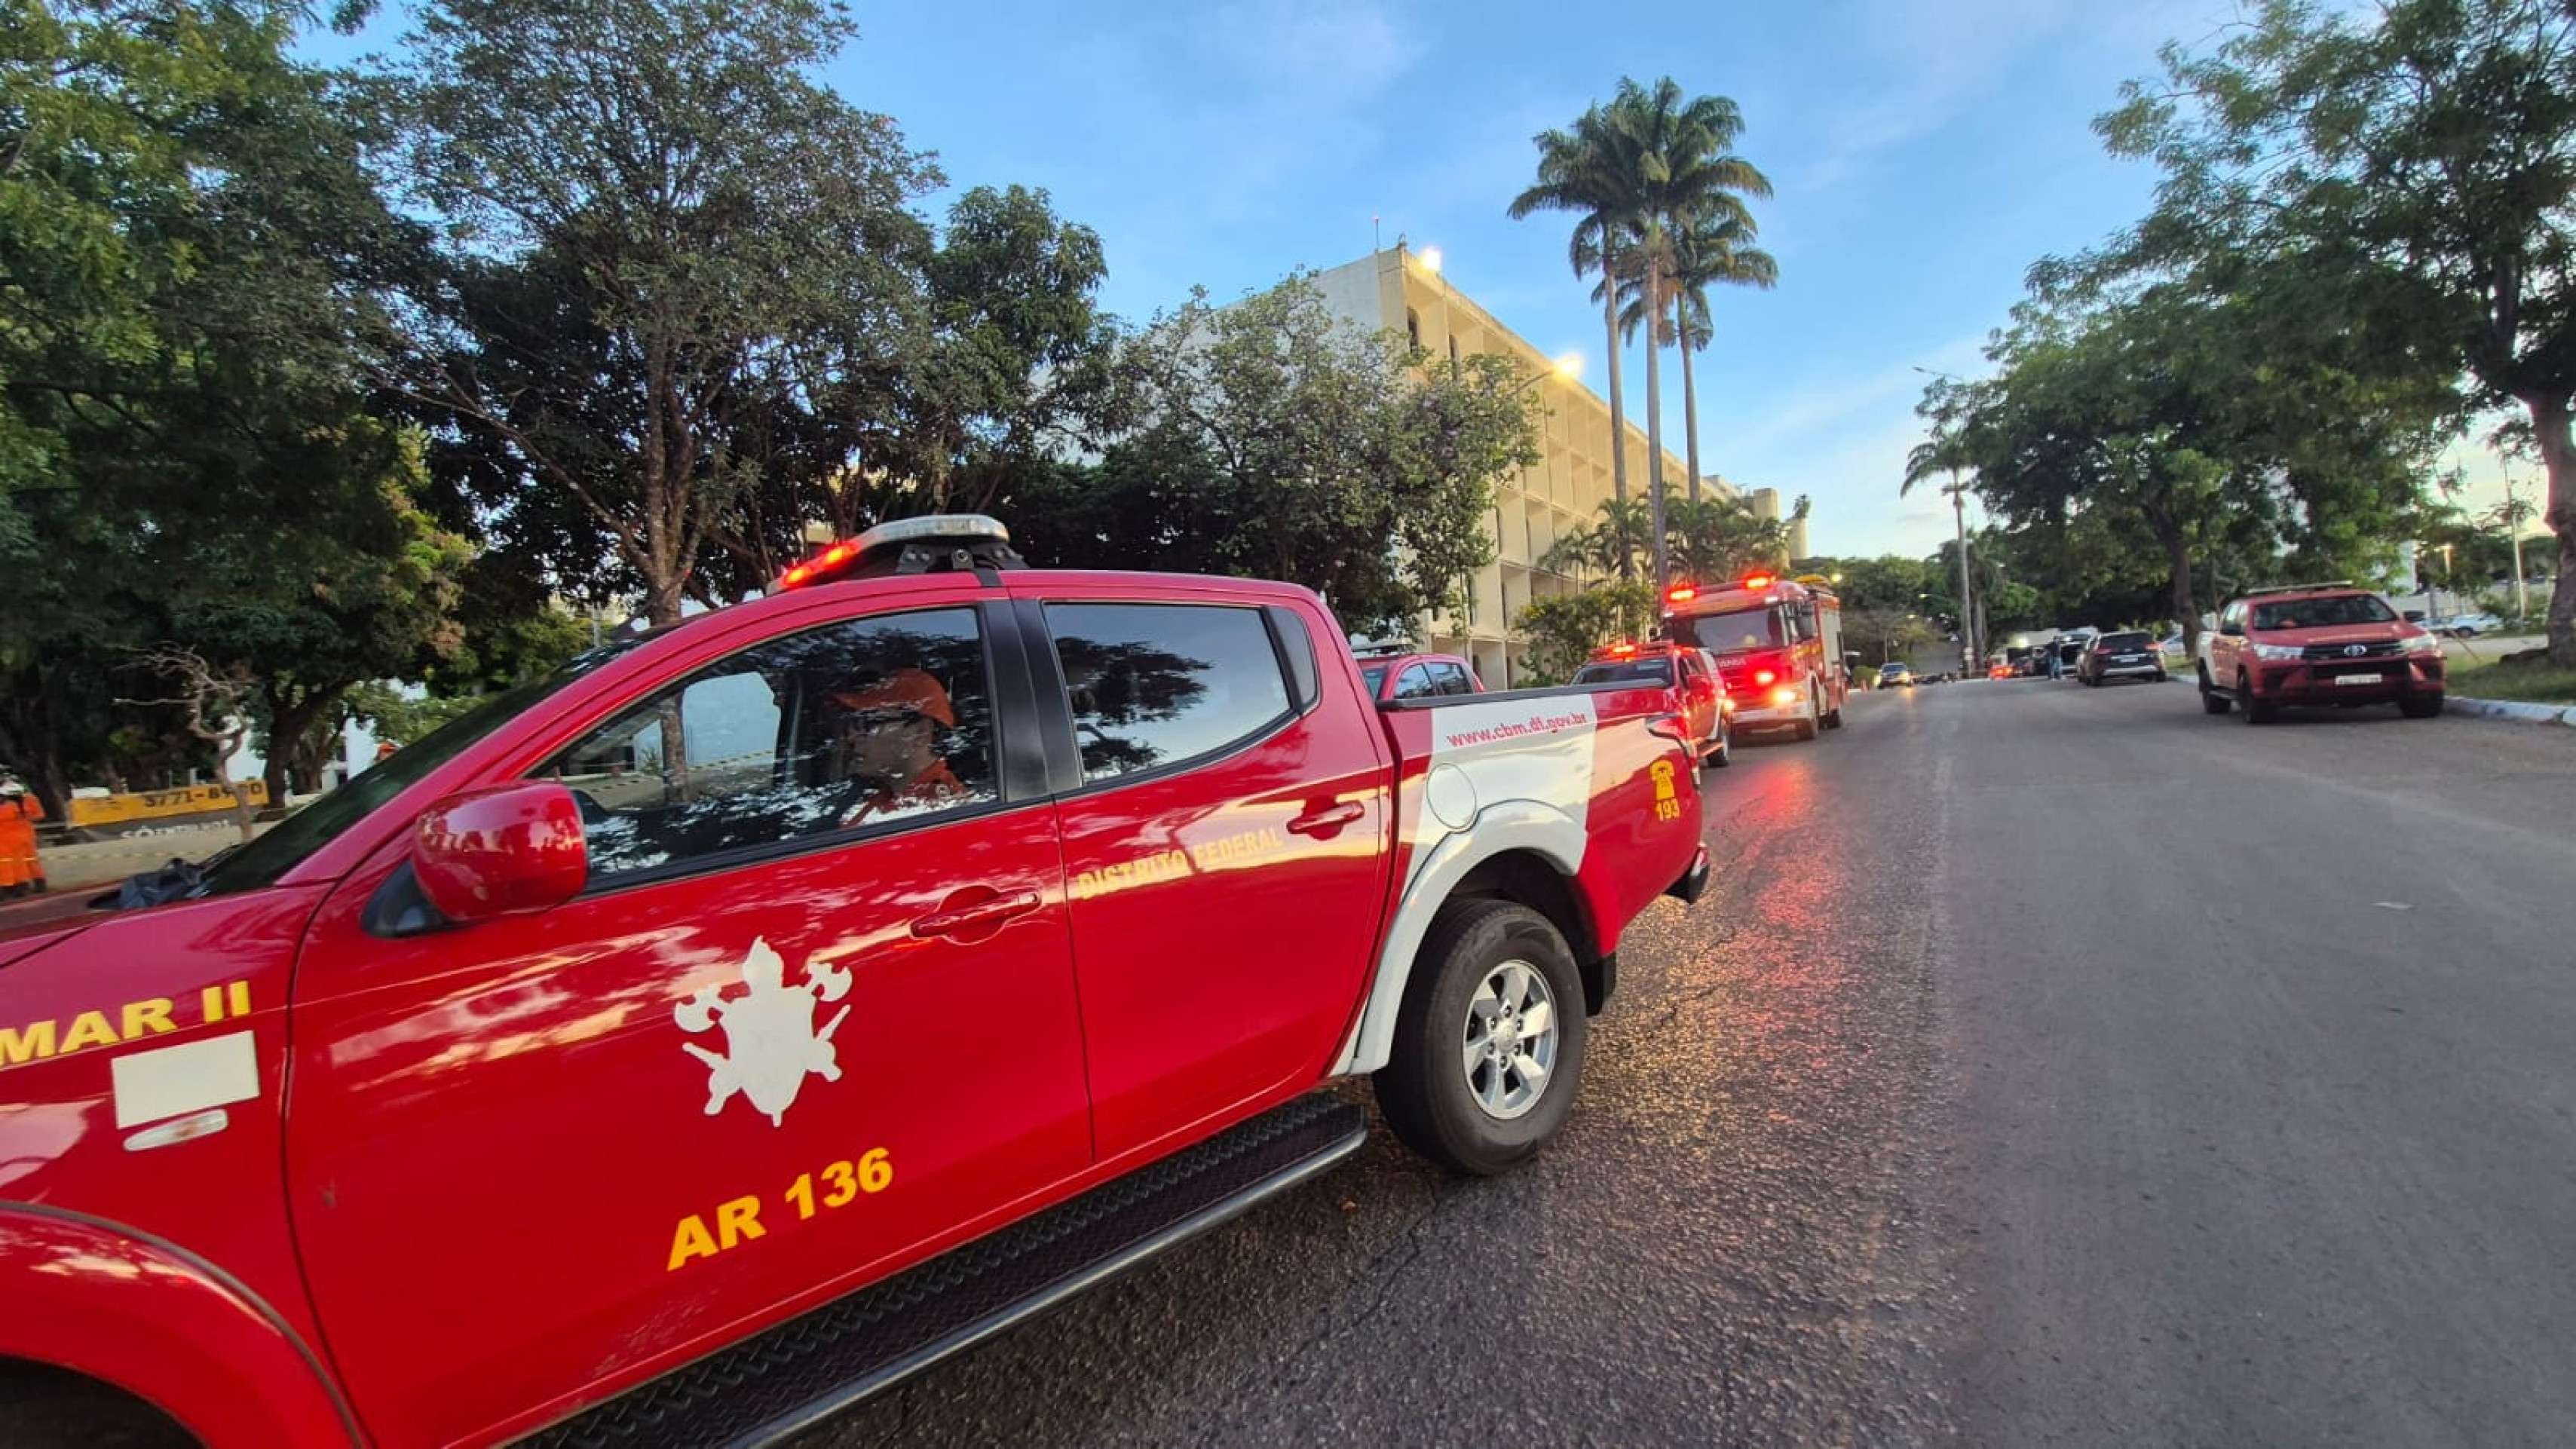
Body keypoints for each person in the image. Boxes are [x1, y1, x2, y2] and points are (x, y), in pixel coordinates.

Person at [829, 668, 968, 827]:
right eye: (852, 724)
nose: (851, 737)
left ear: (920, 734)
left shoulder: (942, 812)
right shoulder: (884, 796)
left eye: (866, 723)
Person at [0, 774, 46, 897]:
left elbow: (39, 815)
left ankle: (18, 888)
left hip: (12, 839)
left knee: (17, 864)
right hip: (18, 837)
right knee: (19, 863)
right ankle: (20, 887)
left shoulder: (12, 806)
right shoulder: (16, 806)